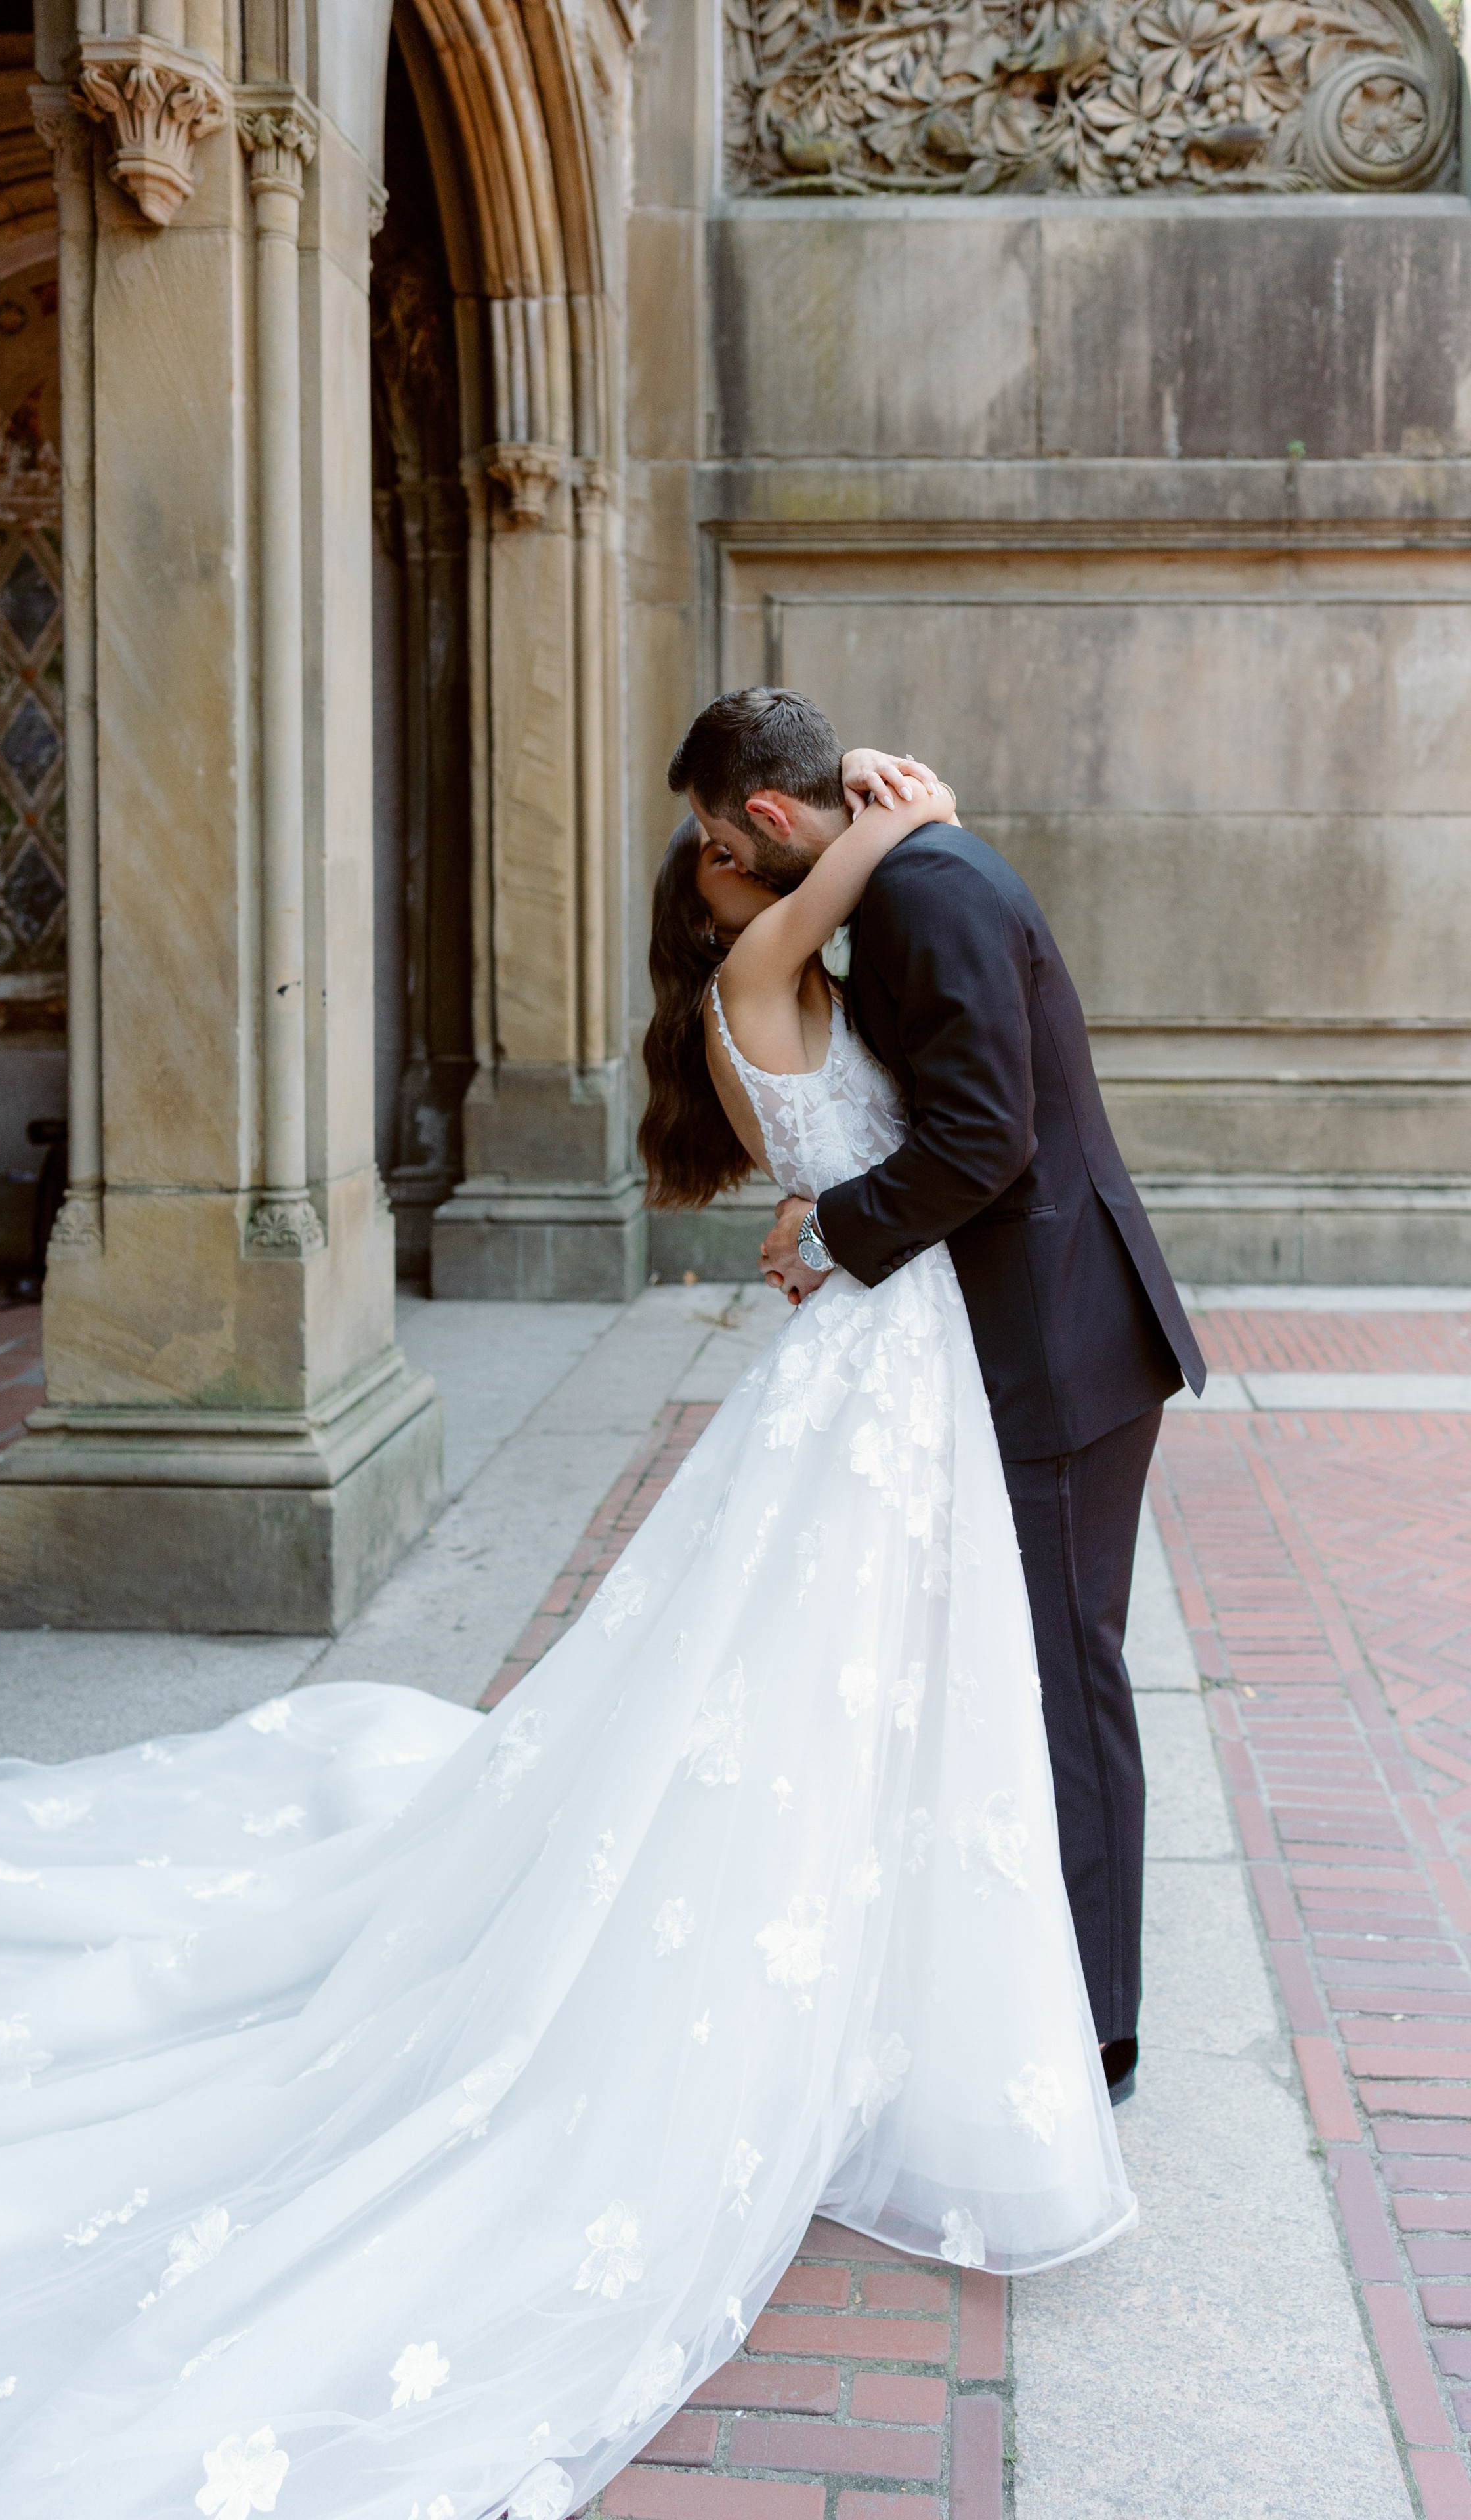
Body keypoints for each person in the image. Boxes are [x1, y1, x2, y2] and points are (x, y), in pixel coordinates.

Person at [0, 764, 1134, 2520]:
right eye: (754, 875)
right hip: (879, 1360)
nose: (777, 903)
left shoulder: (807, 968)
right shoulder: (761, 978)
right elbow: (847, 924)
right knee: (825, 1676)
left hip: (894, 1363)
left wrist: (885, 836)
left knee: (868, 1680)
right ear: (739, 874)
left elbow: (862, 960)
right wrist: (908, 809)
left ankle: (906, 1966)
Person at [668, 686, 1208, 2106]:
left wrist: (831, 1227)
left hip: (1054, 1341)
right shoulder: (904, 877)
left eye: (716, 832)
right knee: (1014, 1671)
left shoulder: (919, 893)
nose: (711, 855)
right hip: (1010, 1336)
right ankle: (1030, 1977)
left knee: (1062, 1682)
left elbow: (981, 1136)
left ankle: (1096, 2024)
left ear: (764, 822)